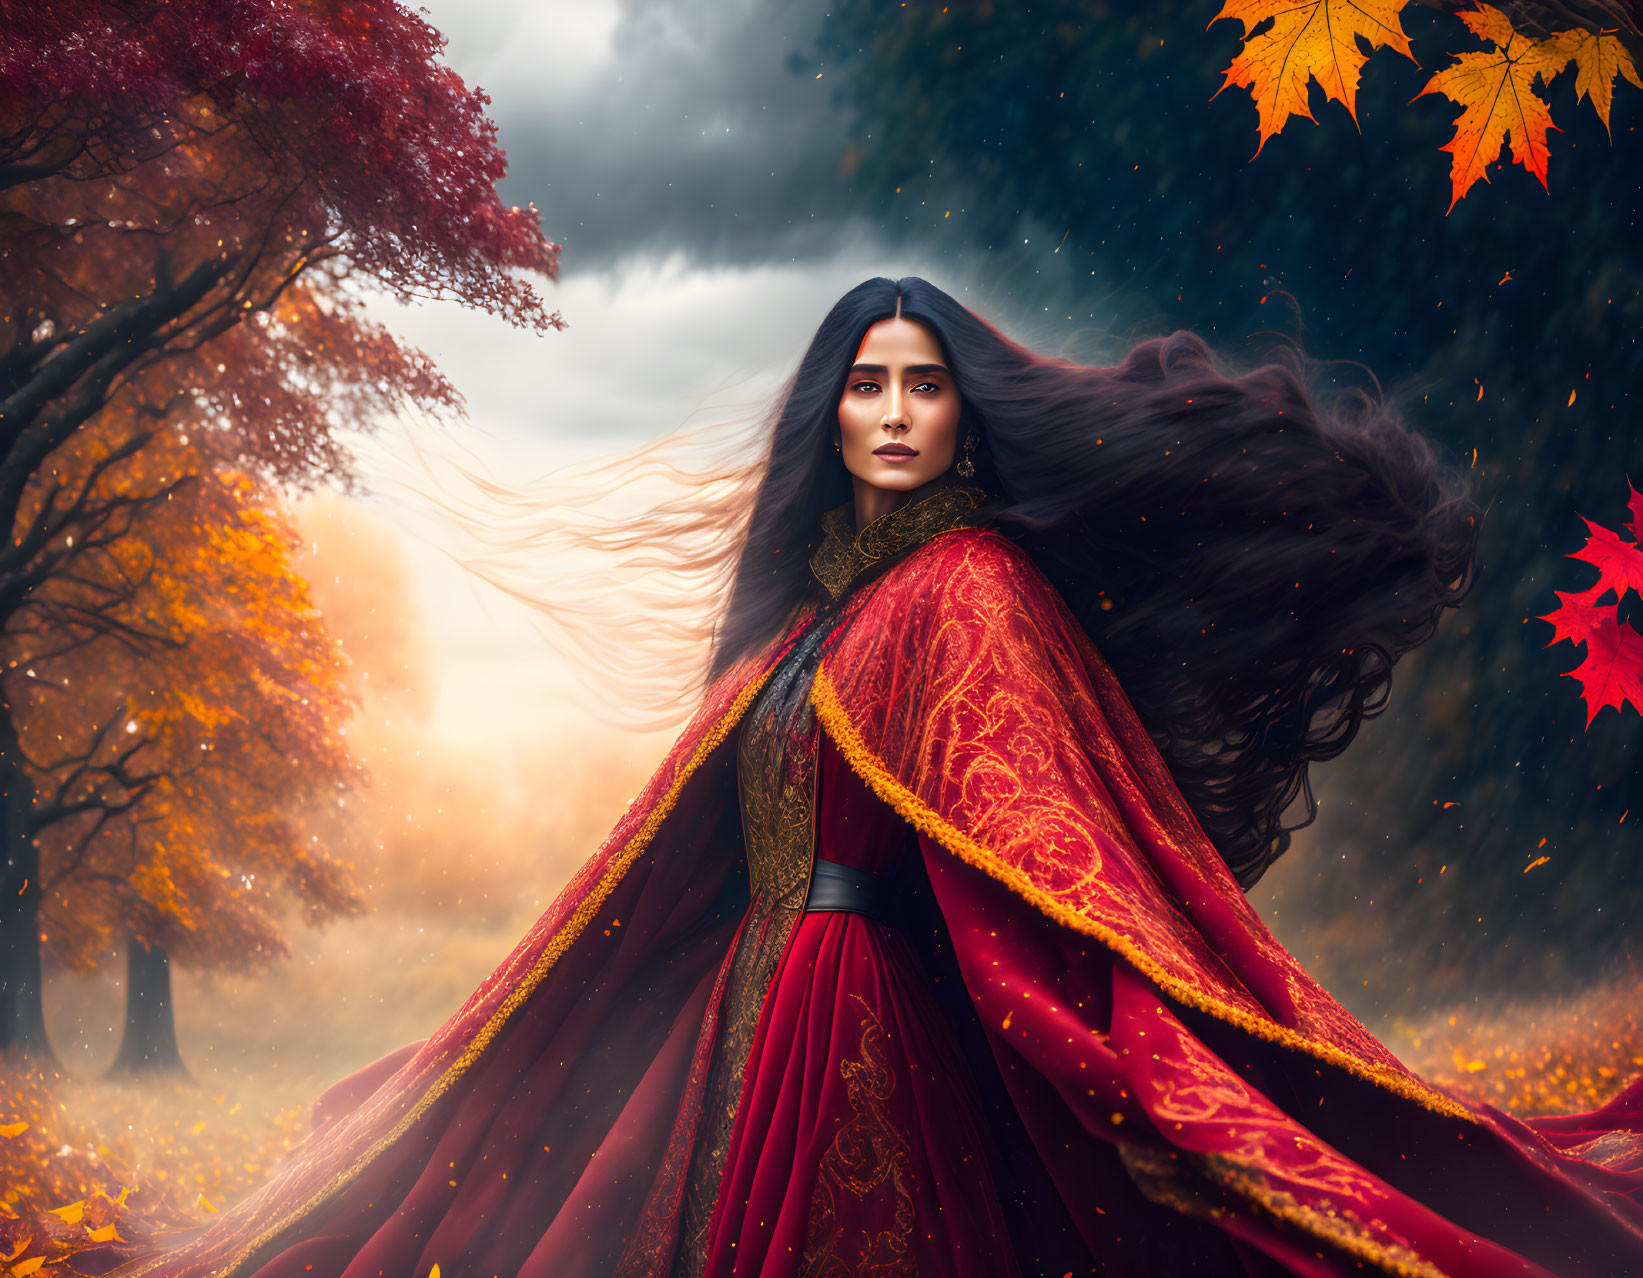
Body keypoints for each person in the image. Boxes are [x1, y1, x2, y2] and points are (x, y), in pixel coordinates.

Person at [110, 278, 1643, 1277]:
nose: (894, 412)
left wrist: (1097, 1028)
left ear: (965, 410)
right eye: (865, 385)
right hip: (746, 1004)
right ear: (826, 411)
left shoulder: (973, 587)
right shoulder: (807, 615)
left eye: (923, 385)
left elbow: (1041, 838)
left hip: (879, 1015)